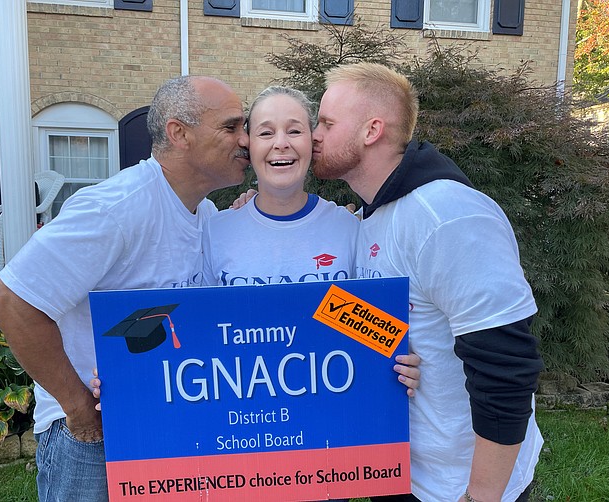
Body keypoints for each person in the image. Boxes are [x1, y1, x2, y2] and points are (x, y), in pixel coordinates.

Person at [0, 75, 250, 502]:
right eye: (232, 126)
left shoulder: (203, 212)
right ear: (178, 133)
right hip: (94, 437)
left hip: (155, 421)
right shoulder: (115, 209)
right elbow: (11, 301)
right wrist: (79, 410)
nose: (246, 140)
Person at [312, 62, 544, 502]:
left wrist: (480, 496)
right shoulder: (370, 217)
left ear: (371, 130)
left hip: (464, 484)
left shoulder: (448, 217)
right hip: (405, 473)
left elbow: (507, 369)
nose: (314, 134)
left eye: (326, 122)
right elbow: (385, 325)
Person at [202, 85, 420, 394]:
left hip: (333, 416)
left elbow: (368, 325)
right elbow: (199, 334)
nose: (281, 144)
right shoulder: (215, 231)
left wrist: (398, 359)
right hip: (249, 419)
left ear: (312, 141)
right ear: (248, 146)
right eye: (265, 133)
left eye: (294, 131)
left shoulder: (350, 228)